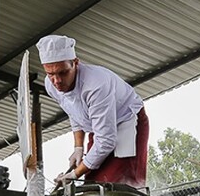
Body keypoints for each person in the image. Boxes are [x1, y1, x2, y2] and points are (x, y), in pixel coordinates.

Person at [36, 35, 149, 188]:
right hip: (99, 129)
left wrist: (74, 174)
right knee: (92, 183)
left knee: (116, 185)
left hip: (127, 122)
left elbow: (106, 141)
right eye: (50, 74)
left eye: (63, 73)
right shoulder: (51, 86)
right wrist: (78, 148)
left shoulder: (96, 84)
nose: (57, 81)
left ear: (76, 63)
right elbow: (74, 113)